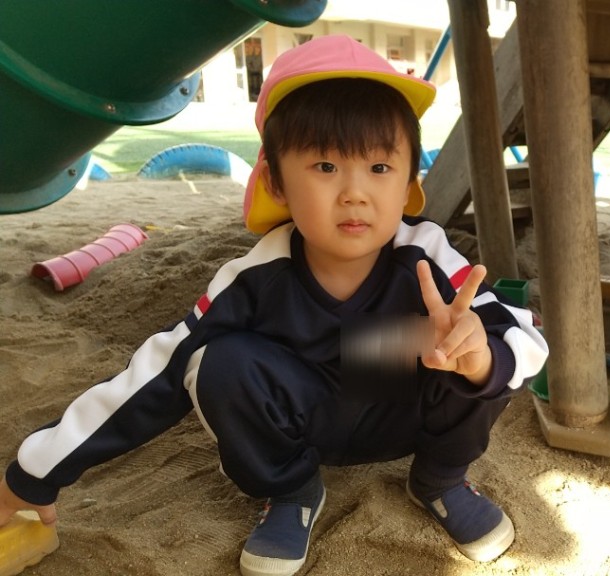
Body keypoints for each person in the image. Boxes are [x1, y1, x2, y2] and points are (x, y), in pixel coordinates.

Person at [0, 35, 548, 576]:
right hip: (304, 415)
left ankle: (440, 481)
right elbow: (153, 374)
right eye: (326, 167)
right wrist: (34, 473)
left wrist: (481, 357)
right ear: (276, 183)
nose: (355, 193)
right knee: (215, 362)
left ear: (408, 184)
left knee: (465, 342)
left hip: (399, 409)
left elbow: (525, 339)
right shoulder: (256, 275)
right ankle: (292, 492)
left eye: (380, 168)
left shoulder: (426, 255)